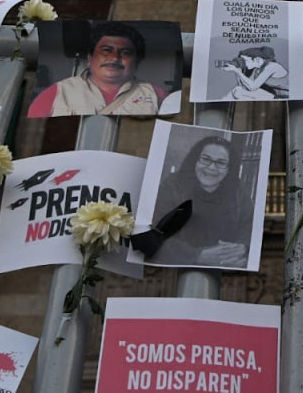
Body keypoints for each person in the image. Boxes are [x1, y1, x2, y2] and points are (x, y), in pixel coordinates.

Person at [148, 135, 252, 268]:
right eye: (205, 159)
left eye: (220, 163)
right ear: (195, 160)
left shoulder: (238, 190)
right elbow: (156, 234)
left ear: (229, 169)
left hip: (228, 270)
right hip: (177, 270)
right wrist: (198, 256)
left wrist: (243, 246)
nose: (211, 168)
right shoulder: (172, 187)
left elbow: (248, 224)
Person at [33, 23, 166, 116]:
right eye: (106, 51)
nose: (114, 59)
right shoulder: (57, 93)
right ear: (90, 57)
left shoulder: (156, 95)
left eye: (125, 52)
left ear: (137, 61)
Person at [217, 46, 289, 100]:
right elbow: (244, 87)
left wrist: (237, 72)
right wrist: (238, 70)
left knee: (238, 91)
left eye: (245, 60)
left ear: (257, 60)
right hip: (275, 96)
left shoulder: (271, 66)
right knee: (237, 90)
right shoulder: (257, 69)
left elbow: (252, 87)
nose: (244, 63)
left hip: (285, 97)